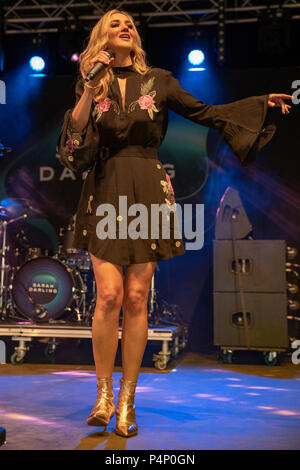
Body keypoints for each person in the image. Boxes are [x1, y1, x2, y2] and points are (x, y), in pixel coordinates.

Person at [57, 9, 292, 437]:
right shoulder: (92, 82)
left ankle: (128, 400)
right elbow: (74, 138)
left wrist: (259, 105)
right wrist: (89, 88)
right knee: (107, 295)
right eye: (115, 24)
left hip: (147, 187)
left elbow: (205, 112)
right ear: (101, 38)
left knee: (136, 295)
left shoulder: (160, 81)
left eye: (129, 23)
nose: (125, 28)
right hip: (105, 188)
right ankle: (103, 395)